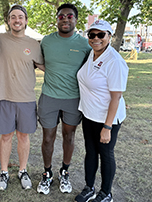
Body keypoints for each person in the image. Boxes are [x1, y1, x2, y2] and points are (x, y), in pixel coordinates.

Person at [36, 3, 91, 195]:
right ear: (56, 20)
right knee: (48, 138)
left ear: (76, 20)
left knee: (69, 136)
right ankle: (47, 173)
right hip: (49, 97)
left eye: (69, 16)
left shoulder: (85, 44)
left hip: (73, 99)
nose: (65, 19)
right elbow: (36, 60)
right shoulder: (46, 41)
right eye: (61, 17)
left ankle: (65, 171)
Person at [74, 20, 129, 202]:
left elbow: (116, 97)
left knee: (105, 154)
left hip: (107, 119)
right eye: (92, 35)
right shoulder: (92, 53)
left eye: (101, 35)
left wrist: (107, 127)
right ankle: (89, 188)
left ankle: (106, 193)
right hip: (89, 114)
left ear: (109, 37)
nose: (96, 38)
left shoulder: (114, 61)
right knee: (90, 152)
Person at [0, 5, 44, 191]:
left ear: (26, 20)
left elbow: (45, 67)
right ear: (8, 21)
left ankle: (23, 170)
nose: (17, 20)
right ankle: (4, 172)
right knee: (6, 136)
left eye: (20, 17)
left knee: (24, 136)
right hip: (4, 96)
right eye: (13, 17)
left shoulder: (34, 44)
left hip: (26, 98)